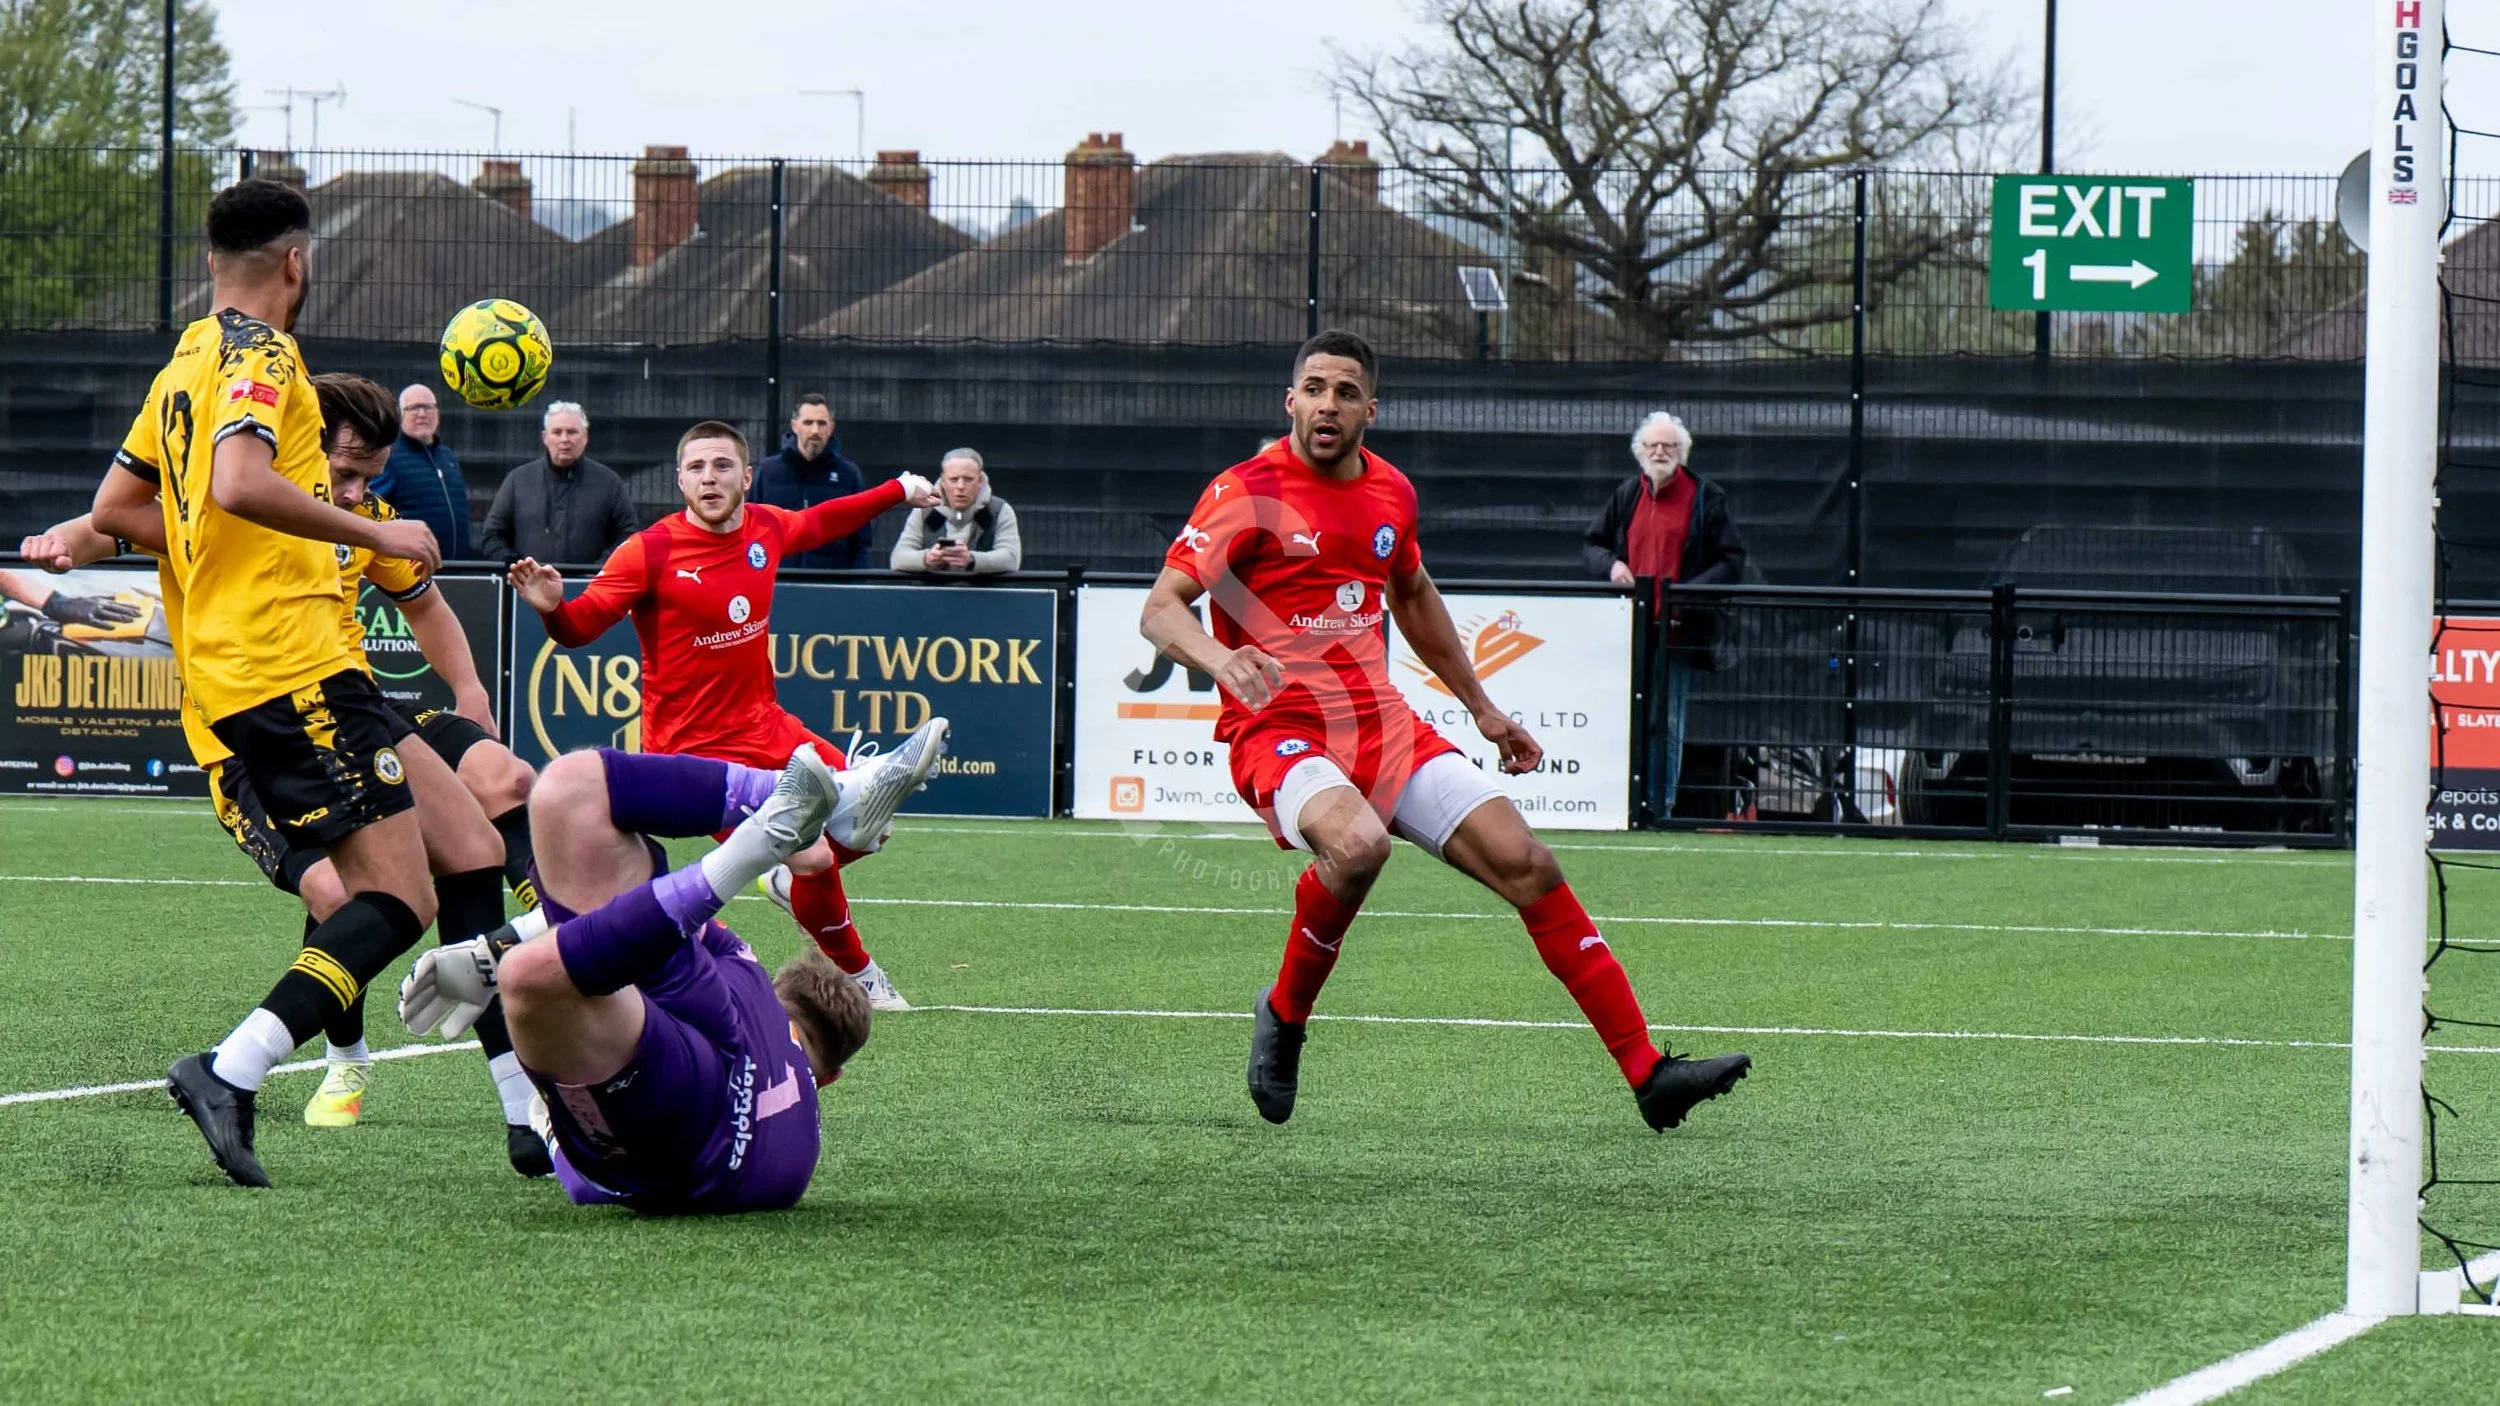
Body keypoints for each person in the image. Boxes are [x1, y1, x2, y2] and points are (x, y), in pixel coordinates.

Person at [1139, 329, 1750, 1133]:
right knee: (1358, 847)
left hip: (1384, 727)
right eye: (1315, 388)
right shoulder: (1244, 492)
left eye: (1346, 391)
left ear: (1370, 410)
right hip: (1281, 730)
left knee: (1528, 864)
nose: (1328, 404)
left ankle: (1649, 1073)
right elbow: (1160, 609)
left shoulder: (1391, 492)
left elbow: (1414, 592)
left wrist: (1484, 709)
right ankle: (1284, 1017)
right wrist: (1222, 659)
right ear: (1290, 401)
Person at [32, 374, 549, 1174]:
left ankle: (525, 1113)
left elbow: (425, 603)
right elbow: (112, 523)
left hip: (344, 707)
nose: (354, 490)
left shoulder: (353, 520)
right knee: (355, 897)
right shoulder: (235, 511)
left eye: (367, 478)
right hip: (251, 740)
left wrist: (472, 691)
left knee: (475, 848)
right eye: (342, 471)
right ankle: (316, 1058)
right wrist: (61, 543)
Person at [86, 179, 451, 1189]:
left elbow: (119, 504)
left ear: (212, 261)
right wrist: (377, 528)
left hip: (229, 670)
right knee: (399, 893)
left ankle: (244, 1066)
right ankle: (230, 1064)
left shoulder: (182, 367)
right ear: (296, 262)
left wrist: (211, 545)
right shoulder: (262, 353)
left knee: (383, 888)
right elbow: (239, 481)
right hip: (290, 661)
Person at [508, 420, 943, 1012]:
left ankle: (787, 876)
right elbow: (581, 625)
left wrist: (898, 489)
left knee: (872, 823)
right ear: (680, 479)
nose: (707, 479)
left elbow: (823, 521)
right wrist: (554, 609)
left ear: (745, 476)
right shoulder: (650, 550)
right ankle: (859, 973)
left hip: (767, 724)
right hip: (694, 752)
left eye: (720, 466)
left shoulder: (765, 525)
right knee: (816, 854)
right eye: (695, 468)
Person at [398, 742, 902, 1214]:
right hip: (699, 1128)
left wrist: (494, 947)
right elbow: (588, 1185)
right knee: (531, 980)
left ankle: (795, 798)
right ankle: (758, 842)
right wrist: (550, 1126)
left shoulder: (747, 970)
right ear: (830, 1076)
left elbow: (656, 918)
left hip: (707, 1030)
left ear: (780, 992)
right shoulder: (800, 1153)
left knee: (569, 789)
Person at [1580, 412, 1747, 823]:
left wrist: (1685, 595)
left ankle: (1660, 806)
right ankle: (1623, 805)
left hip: (1678, 629)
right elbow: (1593, 545)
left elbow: (1732, 562)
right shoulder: (1626, 495)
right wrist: (1611, 566)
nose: (1660, 452)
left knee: (1668, 722)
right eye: (1653, 445)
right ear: (1640, 452)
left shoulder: (1706, 497)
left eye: (1668, 446)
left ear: (1682, 452)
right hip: (1628, 632)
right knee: (1627, 719)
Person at [480, 401, 639, 566]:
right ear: (545, 437)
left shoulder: (610, 483)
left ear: (585, 437)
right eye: (557, 432)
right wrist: (518, 567)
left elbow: (628, 536)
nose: (565, 439)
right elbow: (492, 536)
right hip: (528, 588)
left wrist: (599, 569)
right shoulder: (517, 481)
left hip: (592, 587)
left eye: (572, 432)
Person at [752, 394, 873, 570]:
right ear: (795, 426)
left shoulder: (849, 475)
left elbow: (861, 541)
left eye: (821, 423)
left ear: (831, 428)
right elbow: (751, 530)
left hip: (831, 586)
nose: (815, 431)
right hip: (777, 582)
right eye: (808, 423)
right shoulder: (768, 471)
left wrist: (856, 587)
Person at [376, 383, 472, 560]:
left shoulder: (448, 457)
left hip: (457, 570)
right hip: (412, 570)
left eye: (428, 407)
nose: (422, 414)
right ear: (400, 414)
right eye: (413, 408)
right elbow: (372, 511)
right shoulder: (389, 456)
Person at [889, 449, 1022, 576]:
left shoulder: (999, 510)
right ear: (943, 481)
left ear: (980, 481)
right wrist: (928, 558)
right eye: (954, 479)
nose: (960, 486)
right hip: (933, 594)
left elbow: (1011, 558)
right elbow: (898, 558)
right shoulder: (925, 510)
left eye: (968, 479)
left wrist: (972, 559)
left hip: (984, 595)